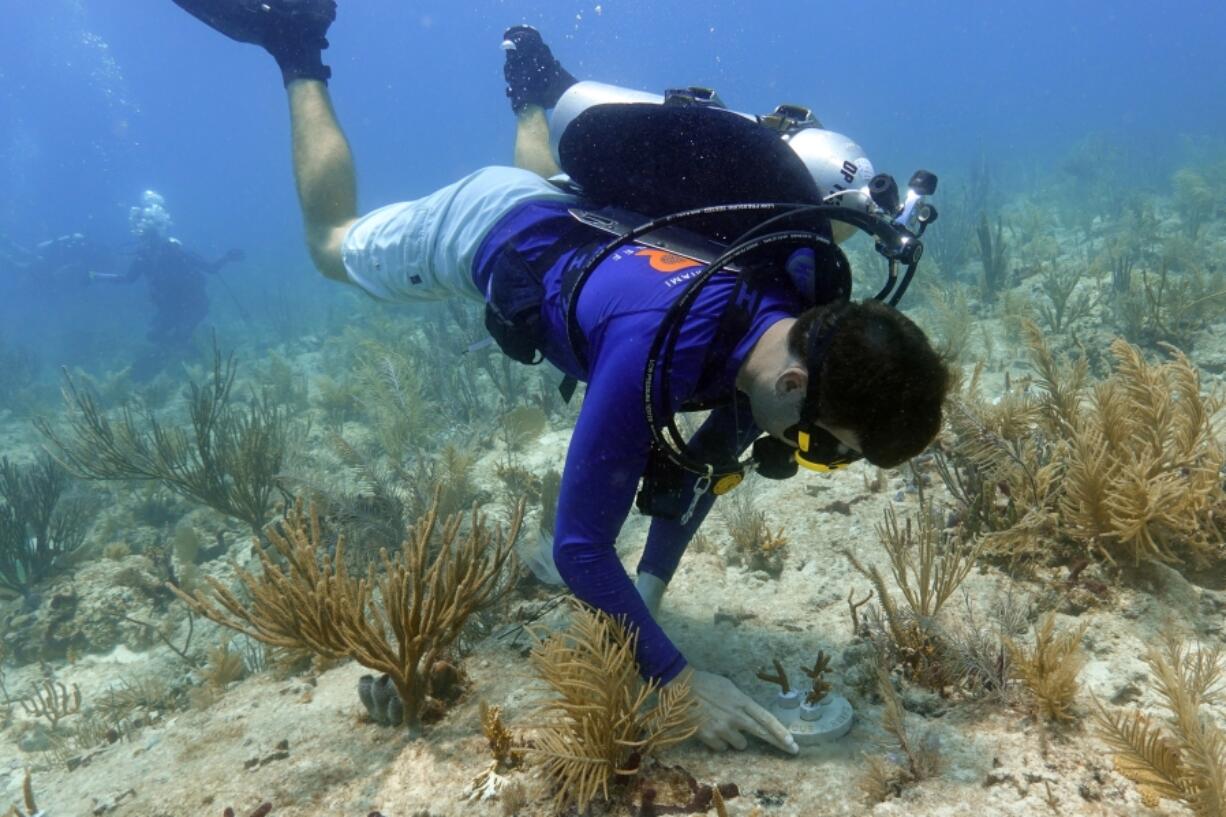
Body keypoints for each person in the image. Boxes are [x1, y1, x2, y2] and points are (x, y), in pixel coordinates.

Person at [172, 0, 950, 755]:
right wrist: (678, 680)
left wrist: (643, 601)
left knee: (542, 189)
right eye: (821, 445)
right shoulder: (661, 340)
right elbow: (579, 546)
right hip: (484, 226)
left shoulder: (787, 317)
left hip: (577, 216)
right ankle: (298, 49)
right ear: (796, 388)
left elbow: (699, 475)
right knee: (331, 245)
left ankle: (530, 93)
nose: (803, 456)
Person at [95, 190, 244, 379]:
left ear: (159, 235)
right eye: (145, 239)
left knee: (180, 335)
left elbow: (210, 268)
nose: (149, 244)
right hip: (169, 308)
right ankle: (175, 361)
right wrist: (96, 276)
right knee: (155, 336)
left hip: (194, 304)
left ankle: (198, 365)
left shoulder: (176, 250)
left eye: (152, 238)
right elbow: (127, 279)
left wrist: (227, 257)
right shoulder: (143, 258)